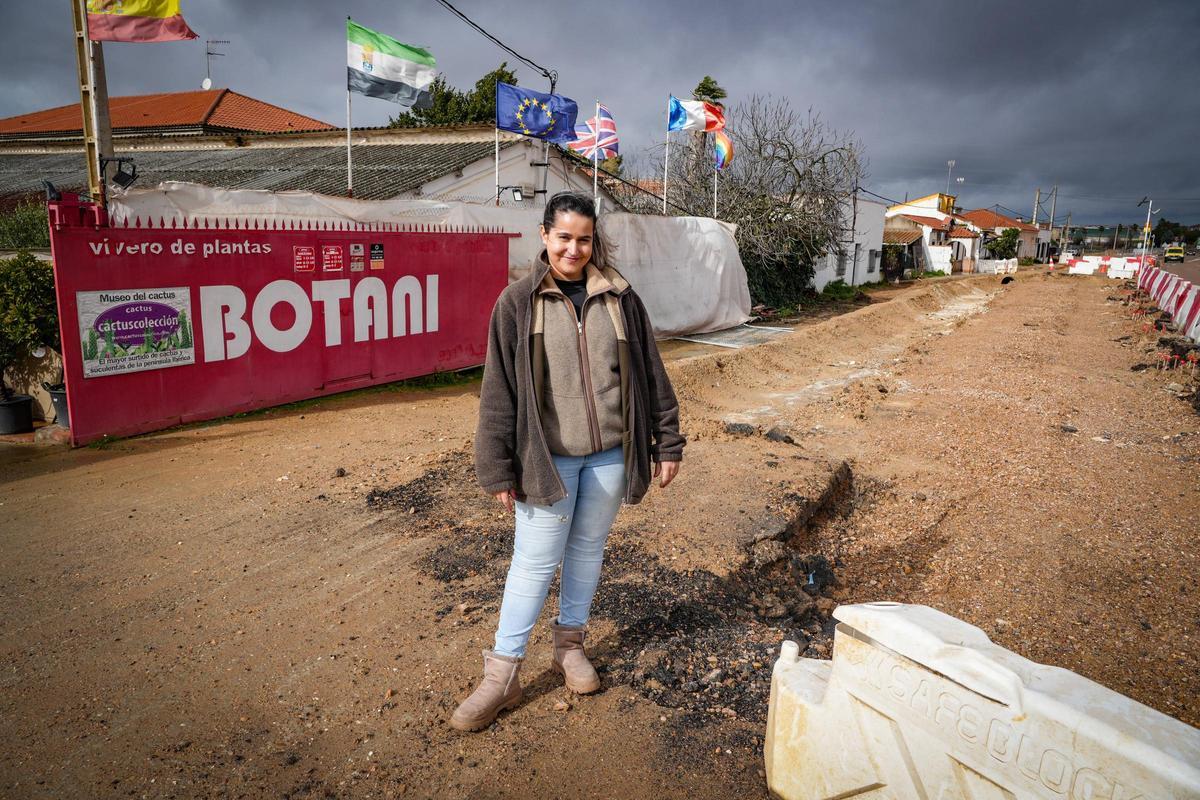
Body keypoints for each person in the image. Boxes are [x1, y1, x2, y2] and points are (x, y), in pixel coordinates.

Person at [450, 192, 685, 732]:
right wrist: (496, 465)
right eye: (564, 237)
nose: (574, 249)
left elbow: (651, 375)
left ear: (592, 240)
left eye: (583, 239)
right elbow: (498, 391)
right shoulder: (517, 303)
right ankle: (502, 674)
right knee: (533, 563)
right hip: (547, 461)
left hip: (608, 456)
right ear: (544, 236)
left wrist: (666, 442)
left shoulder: (621, 298)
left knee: (586, 551)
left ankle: (569, 646)